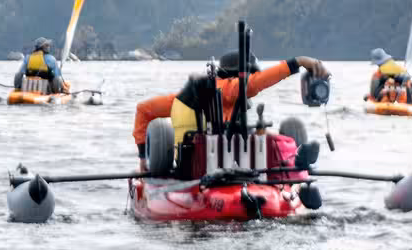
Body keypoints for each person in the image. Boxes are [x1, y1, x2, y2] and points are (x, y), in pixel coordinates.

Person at [132, 50, 331, 175]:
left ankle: (296, 157)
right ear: (238, 76)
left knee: (260, 137)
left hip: (213, 159)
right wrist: (298, 62)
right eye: (252, 74)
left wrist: (143, 157)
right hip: (202, 164)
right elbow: (254, 83)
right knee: (273, 142)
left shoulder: (182, 98)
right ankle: (295, 159)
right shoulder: (229, 88)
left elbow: (143, 110)